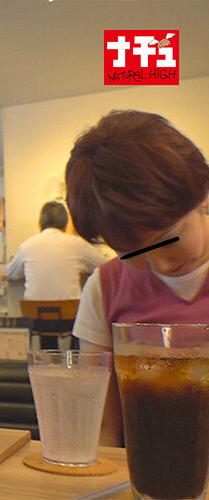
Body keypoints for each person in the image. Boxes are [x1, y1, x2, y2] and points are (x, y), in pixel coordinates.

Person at [65, 109, 209, 446]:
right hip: (148, 467)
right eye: (131, 252)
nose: (159, 264)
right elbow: (103, 428)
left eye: (169, 238)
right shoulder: (104, 288)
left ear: (202, 195)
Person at [6, 200, 108, 301]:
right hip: (69, 310)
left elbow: (10, 273)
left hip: (34, 310)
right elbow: (104, 265)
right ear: (65, 226)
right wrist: (81, 266)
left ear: (40, 224)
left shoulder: (27, 245)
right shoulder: (76, 244)